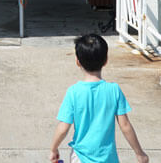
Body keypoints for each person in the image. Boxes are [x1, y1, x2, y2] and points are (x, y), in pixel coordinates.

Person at [49, 34, 149, 163]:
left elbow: (63, 127)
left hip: (80, 157)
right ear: (106, 60)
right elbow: (125, 126)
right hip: (108, 158)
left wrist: (54, 149)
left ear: (77, 61)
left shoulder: (73, 92)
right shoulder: (114, 90)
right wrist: (139, 153)